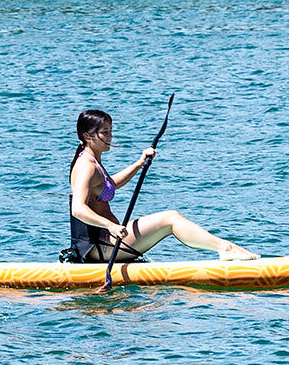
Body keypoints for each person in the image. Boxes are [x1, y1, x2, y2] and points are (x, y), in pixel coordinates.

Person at [66, 109, 257, 286]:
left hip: (108, 242)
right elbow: (78, 208)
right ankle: (224, 248)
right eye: (104, 132)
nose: (110, 137)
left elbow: (110, 184)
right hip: (101, 246)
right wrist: (111, 226)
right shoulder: (86, 166)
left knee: (171, 217)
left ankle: (225, 248)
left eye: (110, 131)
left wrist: (139, 163)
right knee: (171, 219)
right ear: (88, 136)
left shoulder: (93, 161)